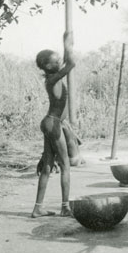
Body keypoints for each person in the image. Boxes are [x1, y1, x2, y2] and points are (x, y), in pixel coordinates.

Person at [31, 39, 76, 218]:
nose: (59, 63)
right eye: (55, 61)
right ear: (46, 66)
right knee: (65, 165)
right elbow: (71, 63)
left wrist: (66, 42)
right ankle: (65, 207)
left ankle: (38, 208)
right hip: (53, 123)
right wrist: (67, 46)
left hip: (49, 123)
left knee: (48, 166)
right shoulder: (54, 78)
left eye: (59, 60)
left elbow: (66, 62)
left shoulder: (52, 77)